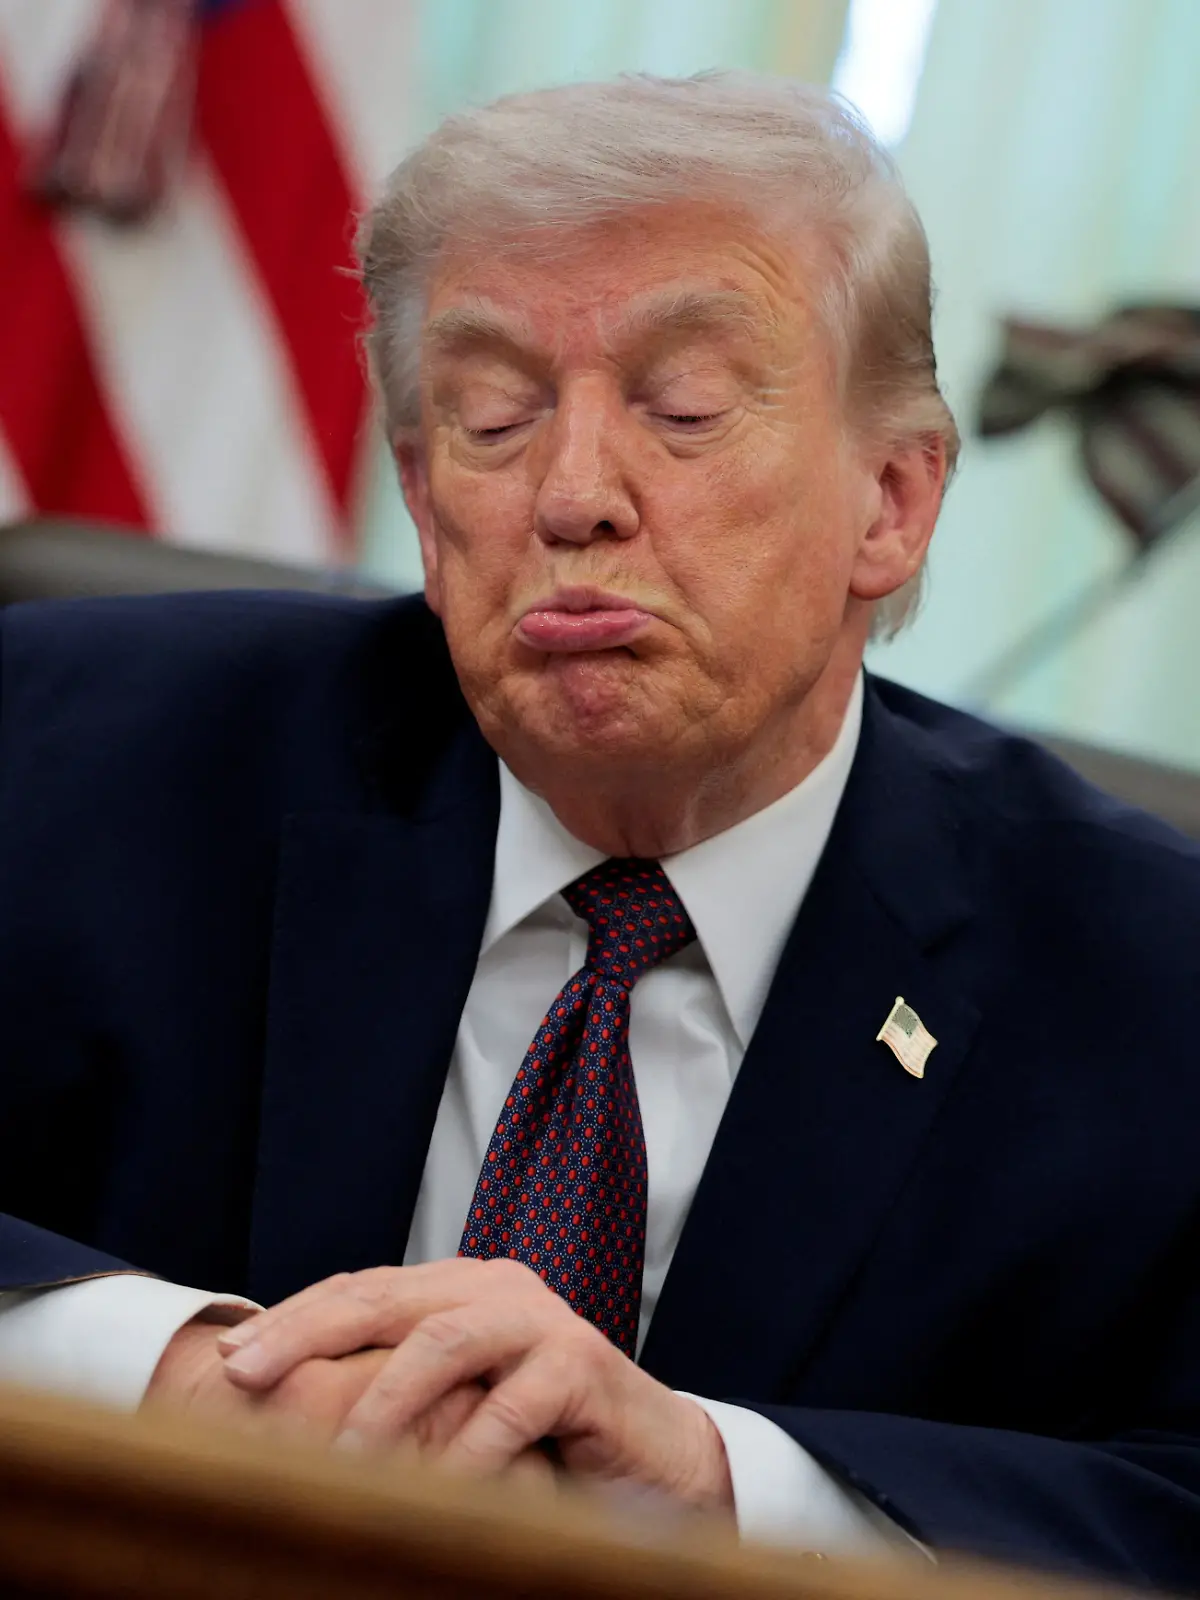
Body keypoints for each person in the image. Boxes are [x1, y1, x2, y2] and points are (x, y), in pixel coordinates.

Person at [1, 71, 1199, 1586]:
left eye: (684, 408)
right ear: (428, 516)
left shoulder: (1152, 982)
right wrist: (178, 1376)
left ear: (891, 499)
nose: (573, 499)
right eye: (494, 420)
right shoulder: (81, 752)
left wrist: (714, 1484)